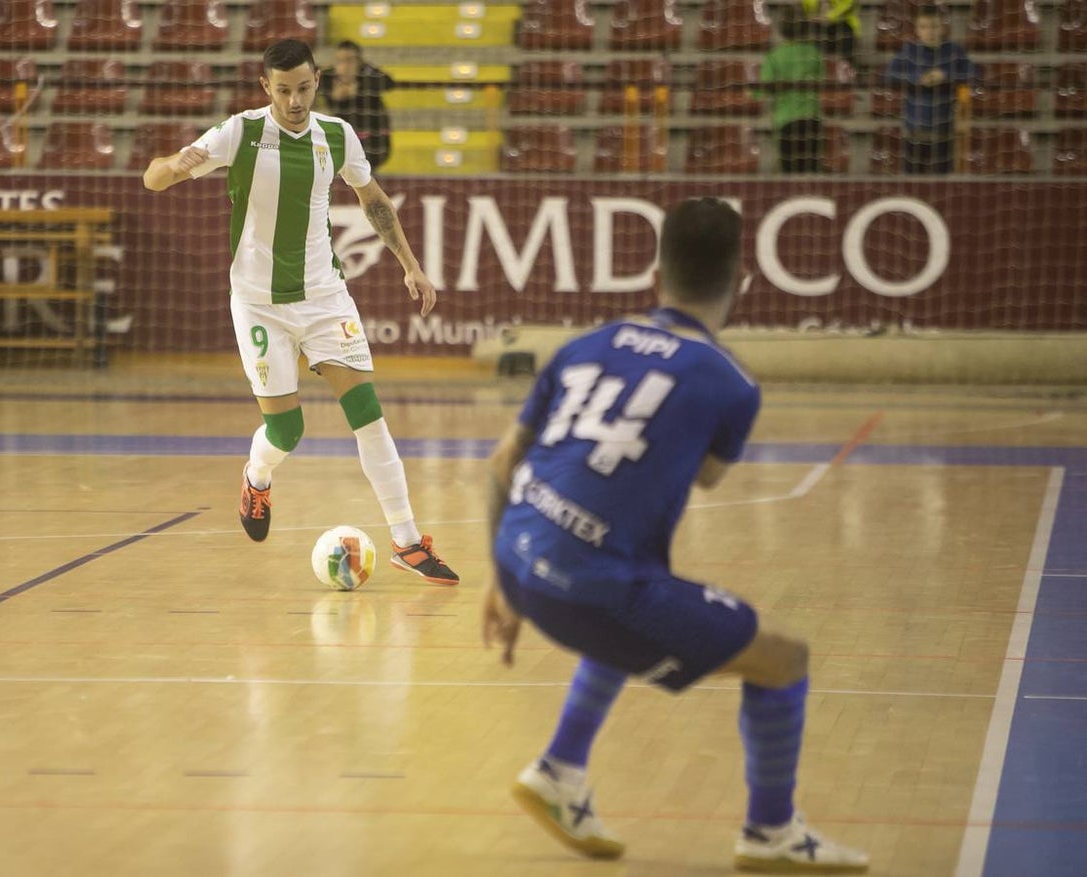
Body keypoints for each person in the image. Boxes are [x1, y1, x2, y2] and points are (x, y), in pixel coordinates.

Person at [481, 198, 869, 872]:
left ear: (654, 274)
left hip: (516, 564)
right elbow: (711, 477)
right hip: (590, 586)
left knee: (636, 597)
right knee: (783, 657)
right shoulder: (732, 384)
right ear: (741, 280)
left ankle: (560, 768)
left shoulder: (583, 344)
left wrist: (501, 581)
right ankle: (770, 830)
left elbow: (500, 461)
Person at [142, 38, 457, 586]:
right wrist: (173, 163)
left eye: (304, 88)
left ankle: (407, 541)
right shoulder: (239, 132)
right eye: (283, 90)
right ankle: (257, 477)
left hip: (324, 298)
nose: (294, 100)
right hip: (259, 305)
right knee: (286, 432)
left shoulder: (337, 135)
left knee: (369, 416)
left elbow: (374, 200)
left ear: (318, 82)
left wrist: (410, 264)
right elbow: (154, 178)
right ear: (266, 87)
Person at [884, 5, 977, 174]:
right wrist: (917, 78)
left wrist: (945, 75)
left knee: (942, 186)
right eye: (924, 27)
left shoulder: (954, 51)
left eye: (934, 26)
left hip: (944, 133)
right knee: (912, 185)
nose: (929, 31)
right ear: (917, 30)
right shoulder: (909, 50)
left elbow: (974, 74)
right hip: (915, 133)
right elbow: (889, 75)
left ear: (942, 27)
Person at [758, 6, 824, 173]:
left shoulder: (775, 55)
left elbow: (761, 90)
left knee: (790, 174)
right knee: (812, 171)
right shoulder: (814, 53)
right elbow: (822, 81)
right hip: (812, 119)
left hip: (786, 121)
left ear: (781, 30)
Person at [319, 40, 395, 170]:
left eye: (349, 60)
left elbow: (389, 82)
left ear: (359, 62)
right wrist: (333, 95)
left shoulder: (370, 76)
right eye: (340, 61)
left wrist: (359, 89)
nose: (344, 66)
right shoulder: (327, 77)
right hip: (340, 143)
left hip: (372, 145)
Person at [801, 0, 859, 65]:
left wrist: (829, 17)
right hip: (818, 26)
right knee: (819, 60)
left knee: (845, 61)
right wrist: (811, 16)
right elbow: (806, 8)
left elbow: (850, 5)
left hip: (844, 25)